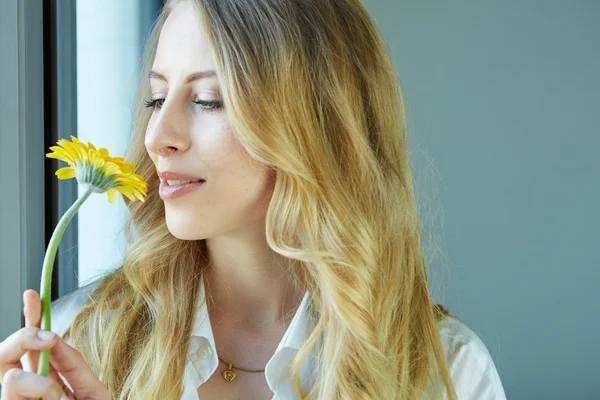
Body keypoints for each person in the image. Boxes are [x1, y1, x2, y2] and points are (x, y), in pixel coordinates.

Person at [0, 0, 507, 399]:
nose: (158, 136)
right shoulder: (75, 343)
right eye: (157, 98)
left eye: (207, 100)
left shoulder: (446, 370)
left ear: (317, 126)